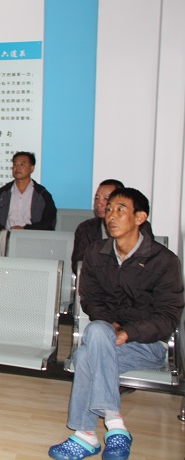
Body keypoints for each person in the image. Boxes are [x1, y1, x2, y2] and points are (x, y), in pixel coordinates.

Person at [48, 188, 183, 460]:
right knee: (98, 330)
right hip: (106, 334)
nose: (111, 215)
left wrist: (127, 333)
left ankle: (86, 435)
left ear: (140, 217)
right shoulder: (96, 253)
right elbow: (90, 300)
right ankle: (115, 424)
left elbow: (168, 317)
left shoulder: (164, 261)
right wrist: (113, 327)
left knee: (86, 356)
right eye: (108, 210)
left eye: (120, 210)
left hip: (148, 345)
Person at [0, 151, 57, 254]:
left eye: (22, 164)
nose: (17, 167)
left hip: (32, 238)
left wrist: (25, 230)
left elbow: (49, 223)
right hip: (6, 237)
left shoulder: (42, 194)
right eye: (15, 164)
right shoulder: (3, 192)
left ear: (32, 168)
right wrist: (4, 230)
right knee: (2, 239)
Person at [72, 179, 153, 270]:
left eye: (106, 198)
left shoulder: (141, 226)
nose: (99, 203)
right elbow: (79, 264)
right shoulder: (86, 228)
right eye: (97, 198)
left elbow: (148, 261)